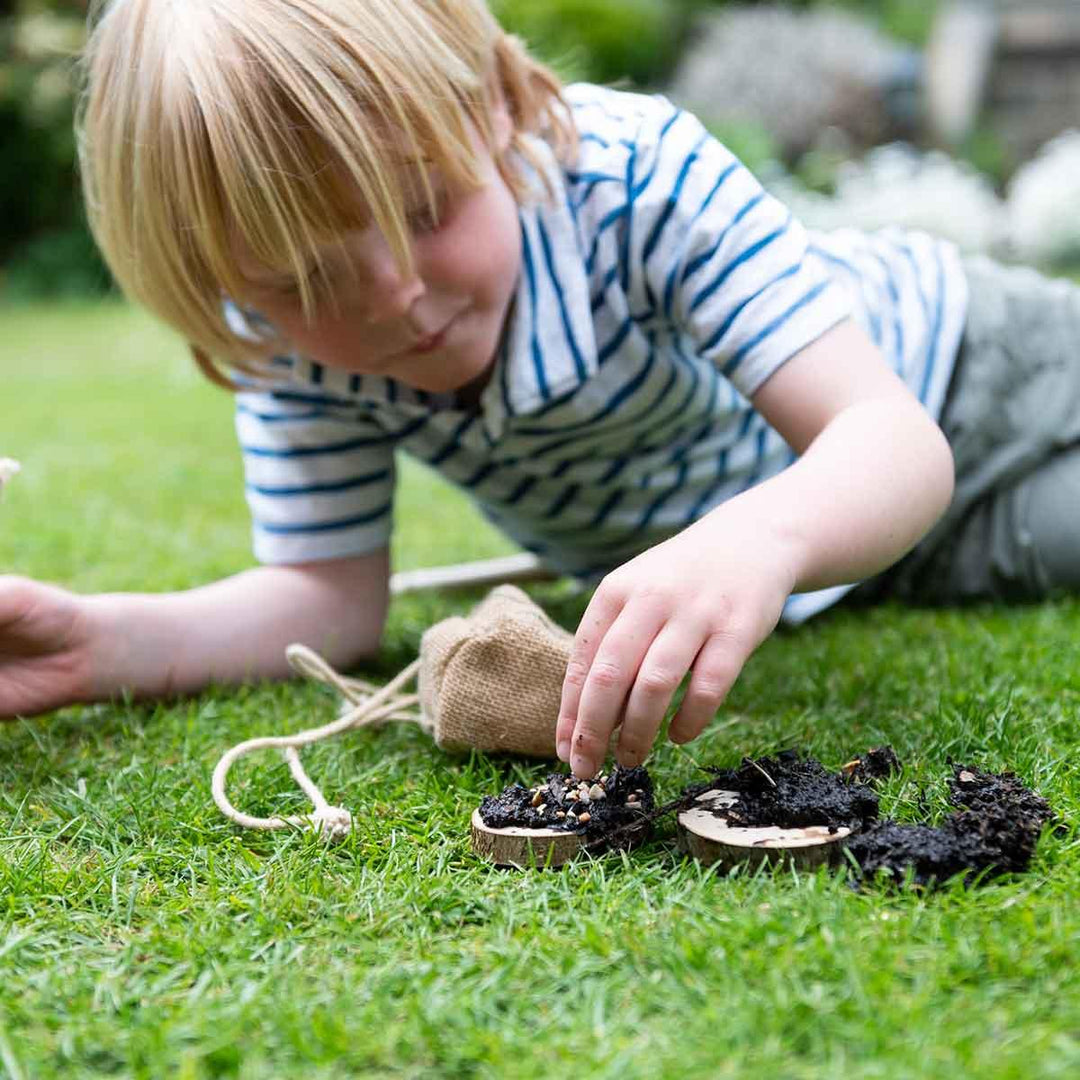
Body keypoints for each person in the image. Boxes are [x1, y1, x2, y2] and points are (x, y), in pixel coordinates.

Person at [2, 0, 1078, 784]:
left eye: (426, 209)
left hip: (972, 382)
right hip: (870, 562)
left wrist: (759, 538)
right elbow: (326, 596)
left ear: (501, 110)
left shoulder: (636, 182)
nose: (397, 299)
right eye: (310, 278)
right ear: (229, 289)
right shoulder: (292, 348)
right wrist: (105, 644)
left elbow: (888, 437)